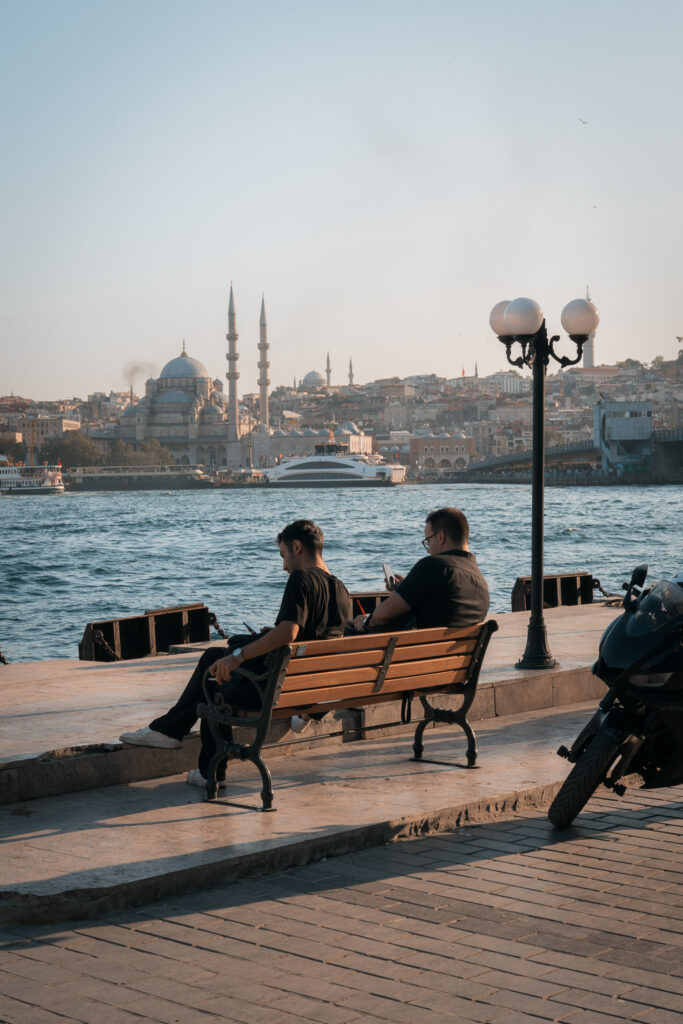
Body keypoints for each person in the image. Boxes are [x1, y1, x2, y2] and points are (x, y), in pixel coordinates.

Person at [120, 520, 352, 787]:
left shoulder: (301, 578)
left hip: (274, 690)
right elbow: (316, 636)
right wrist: (268, 634)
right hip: (308, 690)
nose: (284, 566)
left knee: (214, 671)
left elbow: (289, 632)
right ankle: (197, 760)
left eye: (284, 556)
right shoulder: (341, 590)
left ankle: (184, 746)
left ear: (296, 547)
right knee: (217, 665)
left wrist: (239, 656)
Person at [352, 507, 489, 634]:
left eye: (428, 541)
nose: (428, 550)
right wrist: (407, 589)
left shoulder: (434, 565)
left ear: (440, 537)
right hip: (457, 658)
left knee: (348, 629)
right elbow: (440, 608)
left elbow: (380, 617)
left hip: (415, 656)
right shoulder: (480, 582)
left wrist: (365, 621)